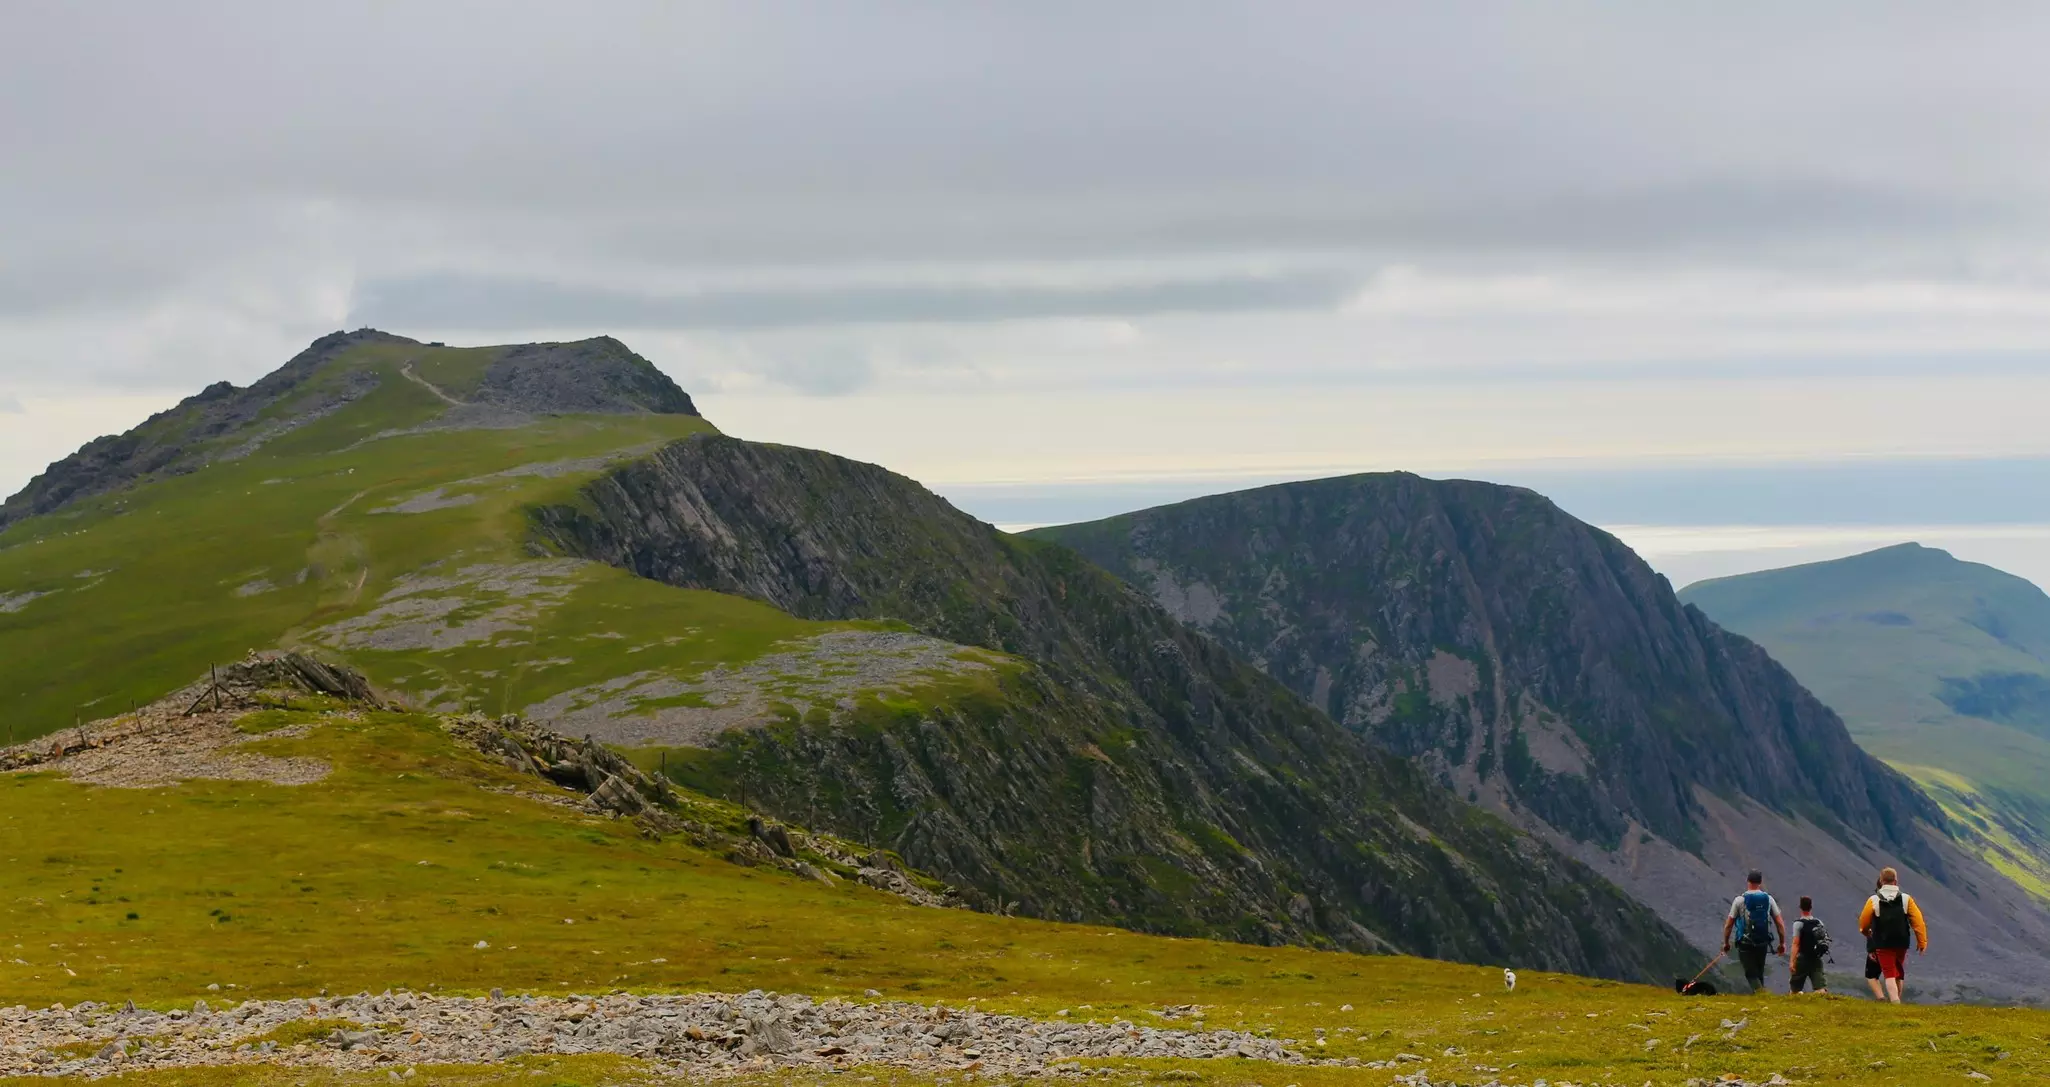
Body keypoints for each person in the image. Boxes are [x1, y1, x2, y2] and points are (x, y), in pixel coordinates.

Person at [1858, 866, 1928, 1003]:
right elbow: (1918, 922)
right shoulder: (1906, 899)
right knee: (1898, 972)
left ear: (1881, 881)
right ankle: (1897, 998)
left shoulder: (1874, 900)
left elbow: (1864, 921)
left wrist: (1866, 932)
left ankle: (1895, 1001)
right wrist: (1922, 942)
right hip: (1902, 941)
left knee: (1889, 972)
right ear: (1895, 881)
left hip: (1883, 942)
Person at [1722, 869, 1787, 994]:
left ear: (1748, 881)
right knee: (1759, 971)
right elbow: (1779, 923)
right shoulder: (1768, 899)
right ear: (1760, 882)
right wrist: (1782, 942)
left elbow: (1729, 925)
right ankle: (1762, 1001)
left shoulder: (1739, 900)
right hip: (1763, 941)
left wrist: (1726, 943)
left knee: (1751, 973)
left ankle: (1763, 996)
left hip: (1745, 942)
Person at [1787, 895, 1830, 994]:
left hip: (1802, 959)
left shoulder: (1798, 924)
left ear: (1800, 907)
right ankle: (1818, 1001)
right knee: (1820, 987)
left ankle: (1797, 1003)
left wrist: (1792, 961)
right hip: (1816, 958)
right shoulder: (1819, 923)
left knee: (1795, 989)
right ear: (1811, 907)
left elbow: (1796, 944)